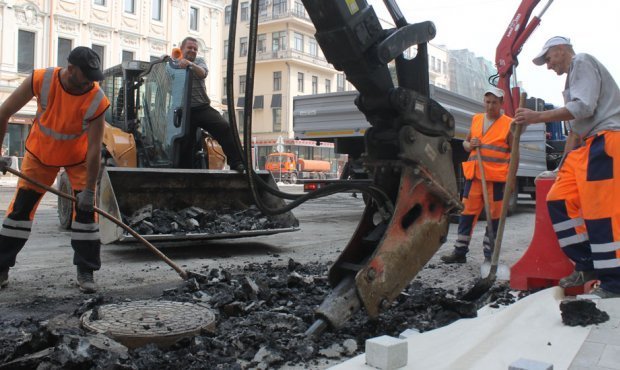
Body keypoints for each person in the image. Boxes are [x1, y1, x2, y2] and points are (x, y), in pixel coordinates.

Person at [515, 36, 620, 298]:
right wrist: (561, 167)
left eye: (548, 59)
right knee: (559, 199)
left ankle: (613, 282)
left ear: (561, 50)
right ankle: (587, 265)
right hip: (587, 145)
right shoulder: (572, 79)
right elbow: (575, 130)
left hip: (606, 141)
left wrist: (538, 117)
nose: (548, 66)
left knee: (602, 213)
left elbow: (583, 108)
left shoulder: (582, 61)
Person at [0, 46, 110, 293]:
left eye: (95, 77)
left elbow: (94, 149)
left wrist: (89, 191)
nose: (91, 83)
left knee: (85, 216)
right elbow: (4, 112)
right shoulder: (42, 79)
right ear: (71, 69)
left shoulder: (96, 98)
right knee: (19, 212)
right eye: (87, 76)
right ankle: (1, 268)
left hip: (78, 159)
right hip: (40, 155)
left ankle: (86, 271)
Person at [441, 87, 513, 264]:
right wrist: (469, 144)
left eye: (494, 103)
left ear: (501, 103)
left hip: (495, 180)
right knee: (466, 214)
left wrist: (511, 178)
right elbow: (465, 144)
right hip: (474, 177)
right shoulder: (477, 119)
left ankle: (490, 256)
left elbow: (514, 151)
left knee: (493, 217)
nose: (490, 106)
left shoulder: (509, 124)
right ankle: (459, 252)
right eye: (487, 102)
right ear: (484, 102)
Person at [173, 37, 245, 171]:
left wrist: (189, 64)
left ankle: (237, 162)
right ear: (182, 48)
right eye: (189, 48)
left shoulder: (199, 61)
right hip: (184, 110)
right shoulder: (173, 63)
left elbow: (203, 74)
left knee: (224, 127)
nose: (193, 50)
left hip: (202, 107)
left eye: (195, 49)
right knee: (184, 141)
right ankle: (183, 171)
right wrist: (167, 60)